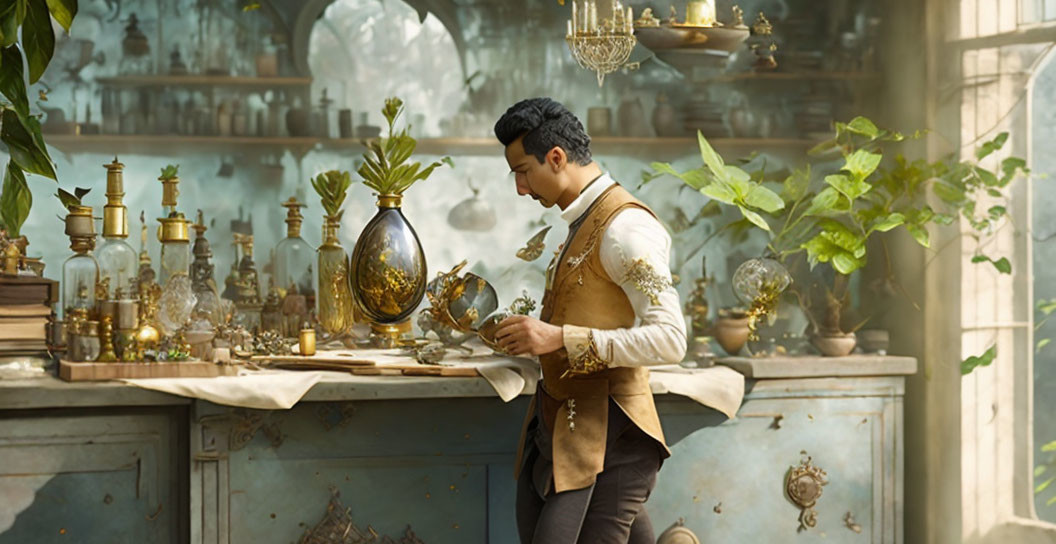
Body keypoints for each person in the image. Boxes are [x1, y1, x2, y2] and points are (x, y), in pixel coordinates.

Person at [492, 97, 687, 544]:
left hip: (615, 436)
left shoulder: (626, 230)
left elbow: (671, 340)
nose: (521, 188)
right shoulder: (580, 222)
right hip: (569, 432)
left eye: (523, 171)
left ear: (556, 158)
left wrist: (559, 337)